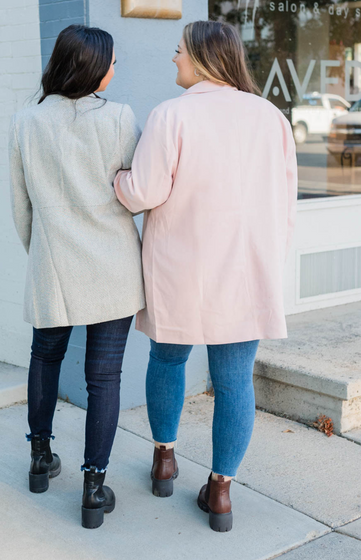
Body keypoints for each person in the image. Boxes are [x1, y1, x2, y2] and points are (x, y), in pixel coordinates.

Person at [114, 20, 297, 533]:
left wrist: (118, 180)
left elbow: (143, 191)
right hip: (246, 271)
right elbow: (285, 205)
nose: (173, 60)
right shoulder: (271, 118)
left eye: (179, 53)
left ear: (201, 57)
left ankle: (164, 461)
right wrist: (272, 264)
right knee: (235, 380)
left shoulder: (170, 115)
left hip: (181, 268)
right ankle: (220, 492)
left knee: (167, 359)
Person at [8, 24, 145, 529]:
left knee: (44, 358)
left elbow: (20, 209)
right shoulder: (121, 119)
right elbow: (137, 190)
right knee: (103, 378)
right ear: (91, 68)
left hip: (54, 268)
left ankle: (40, 460)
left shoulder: (26, 121)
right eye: (111, 61)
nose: (115, 68)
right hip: (112, 269)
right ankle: (93, 488)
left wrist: (43, 252)